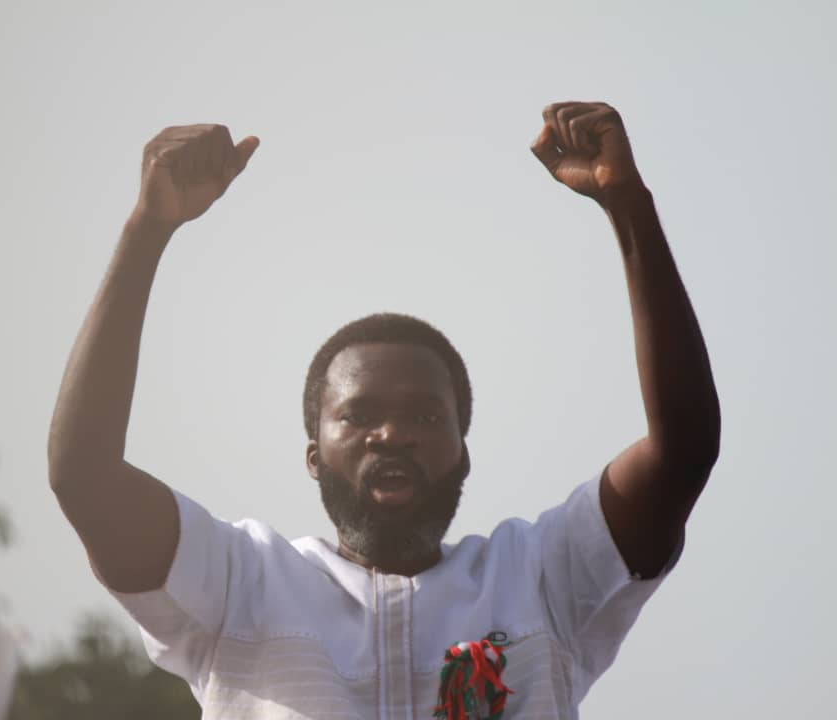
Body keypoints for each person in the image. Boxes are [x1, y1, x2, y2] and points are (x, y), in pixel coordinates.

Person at [48, 102, 720, 719]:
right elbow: (84, 476)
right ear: (314, 456)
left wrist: (628, 205)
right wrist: (148, 228)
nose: (392, 434)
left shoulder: (539, 578)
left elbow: (683, 450)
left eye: (426, 417)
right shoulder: (238, 583)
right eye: (359, 416)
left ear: (463, 452)